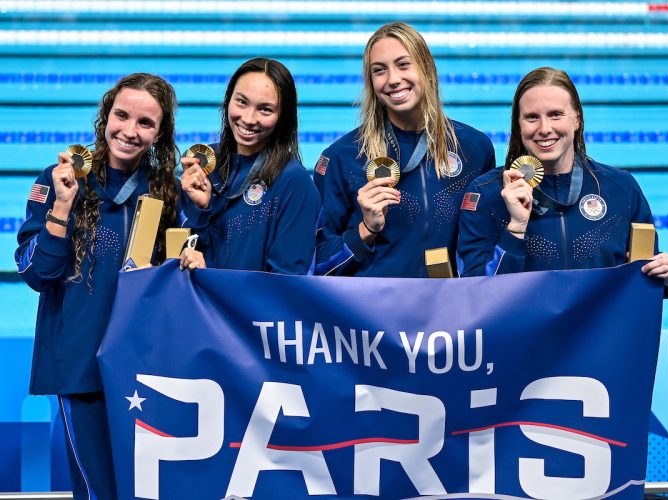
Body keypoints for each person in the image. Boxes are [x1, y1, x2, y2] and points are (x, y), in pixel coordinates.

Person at [15, 73, 180, 498]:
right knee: (97, 489)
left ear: (160, 134)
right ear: (105, 116)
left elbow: (174, 281)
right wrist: (63, 206)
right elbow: (36, 274)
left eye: (145, 123)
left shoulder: (165, 191)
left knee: (142, 488)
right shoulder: (61, 179)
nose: (129, 130)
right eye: (121, 115)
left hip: (139, 365)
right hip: (78, 365)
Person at [457, 67, 668, 297]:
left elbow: (644, 273)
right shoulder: (487, 194)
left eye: (556, 114)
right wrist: (515, 228)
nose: (545, 129)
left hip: (597, 334)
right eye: (532, 117)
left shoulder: (620, 188)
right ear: (518, 125)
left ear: (577, 119)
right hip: (525, 333)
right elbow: (474, 295)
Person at [313, 22, 495, 277]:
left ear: (427, 67)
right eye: (379, 70)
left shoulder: (474, 148)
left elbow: (484, 245)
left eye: (403, 64)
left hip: (447, 309)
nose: (393, 80)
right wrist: (365, 230)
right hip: (373, 311)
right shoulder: (342, 157)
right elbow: (316, 265)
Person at [179, 57, 320, 274]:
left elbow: (285, 284)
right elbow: (181, 258)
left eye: (265, 109)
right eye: (242, 102)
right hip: (197, 305)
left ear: (282, 116)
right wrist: (200, 210)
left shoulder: (294, 183)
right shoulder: (206, 165)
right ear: (228, 100)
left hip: (241, 308)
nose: (248, 118)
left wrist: (212, 278)